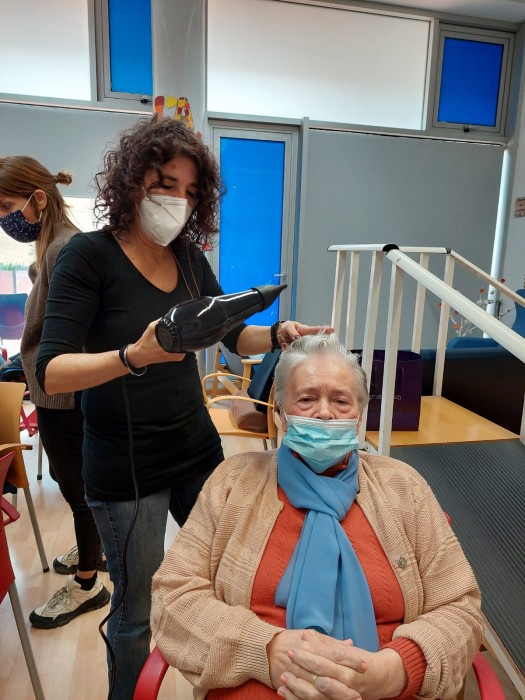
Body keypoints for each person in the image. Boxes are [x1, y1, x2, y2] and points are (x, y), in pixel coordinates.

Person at [35, 116, 327, 699]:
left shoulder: (189, 259)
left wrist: (277, 335)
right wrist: (132, 356)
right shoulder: (87, 258)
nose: (177, 201)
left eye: (191, 192)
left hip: (196, 451)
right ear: (132, 181)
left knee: (229, 579)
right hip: (125, 468)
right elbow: (51, 369)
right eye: (166, 184)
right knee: (136, 611)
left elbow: (232, 334)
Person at [151, 333, 483, 700]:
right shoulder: (233, 483)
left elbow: (460, 609)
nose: (324, 412)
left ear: (359, 416)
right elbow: (172, 597)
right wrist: (265, 649)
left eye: (340, 401)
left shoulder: (405, 487)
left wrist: (393, 670)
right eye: (307, 399)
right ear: (281, 413)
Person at [0, 156, 109, 629]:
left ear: (38, 199)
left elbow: (69, 331)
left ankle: (88, 584)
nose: (4, 219)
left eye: (6, 207)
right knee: (76, 485)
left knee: (77, 487)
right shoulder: (56, 247)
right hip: (58, 389)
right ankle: (92, 552)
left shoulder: (64, 247)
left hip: (64, 392)